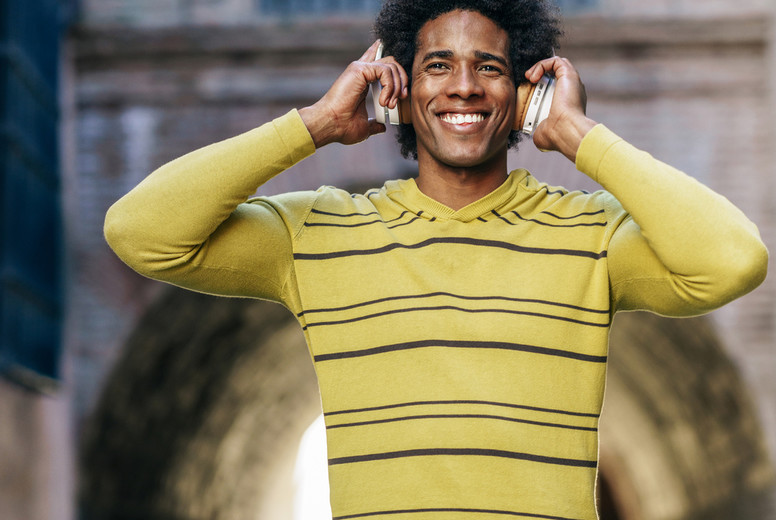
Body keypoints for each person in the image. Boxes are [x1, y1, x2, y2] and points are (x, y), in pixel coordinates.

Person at [104, 1, 768, 518]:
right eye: (438, 65)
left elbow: (732, 260)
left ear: (524, 94)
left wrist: (576, 134)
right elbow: (142, 232)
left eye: (490, 67)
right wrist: (313, 125)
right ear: (397, 90)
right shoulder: (317, 233)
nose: (465, 88)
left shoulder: (592, 234)